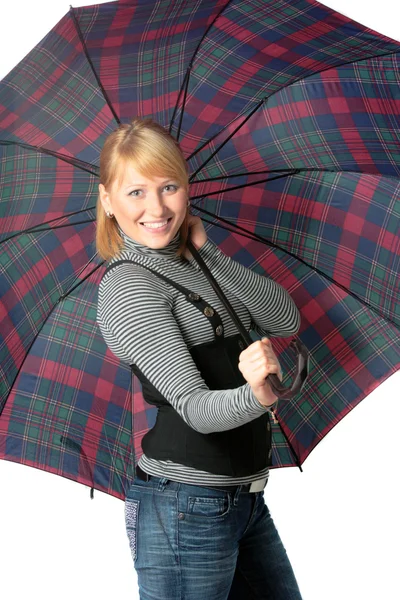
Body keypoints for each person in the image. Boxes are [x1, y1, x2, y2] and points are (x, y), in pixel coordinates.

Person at [96, 118, 303, 600]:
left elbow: (285, 316)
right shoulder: (129, 287)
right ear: (107, 200)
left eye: (169, 187)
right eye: (136, 193)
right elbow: (195, 409)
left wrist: (208, 252)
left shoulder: (193, 260)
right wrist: (255, 394)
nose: (156, 208)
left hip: (244, 499)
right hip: (186, 506)